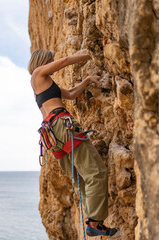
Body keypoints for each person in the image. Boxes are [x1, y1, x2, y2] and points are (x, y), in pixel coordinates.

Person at [28, 49, 117, 237]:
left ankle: (94, 221)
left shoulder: (43, 84)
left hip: (52, 135)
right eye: (50, 60)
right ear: (43, 61)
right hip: (61, 125)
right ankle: (94, 221)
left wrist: (86, 81)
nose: (52, 62)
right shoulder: (38, 74)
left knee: (81, 177)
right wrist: (90, 55)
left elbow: (69, 94)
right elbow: (66, 61)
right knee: (96, 172)